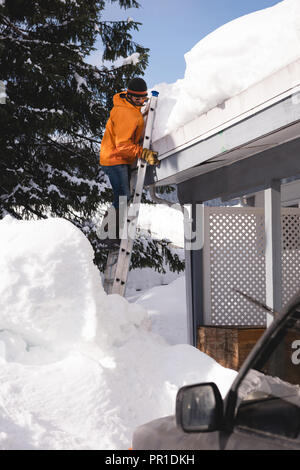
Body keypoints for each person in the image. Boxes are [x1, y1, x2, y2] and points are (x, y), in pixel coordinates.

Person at [100, 77, 159, 244]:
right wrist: (143, 153)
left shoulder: (129, 107)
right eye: (137, 98)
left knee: (122, 197)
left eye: (143, 98)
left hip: (117, 157)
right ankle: (107, 237)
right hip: (115, 158)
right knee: (122, 197)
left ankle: (109, 235)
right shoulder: (126, 113)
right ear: (129, 96)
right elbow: (123, 144)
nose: (141, 102)